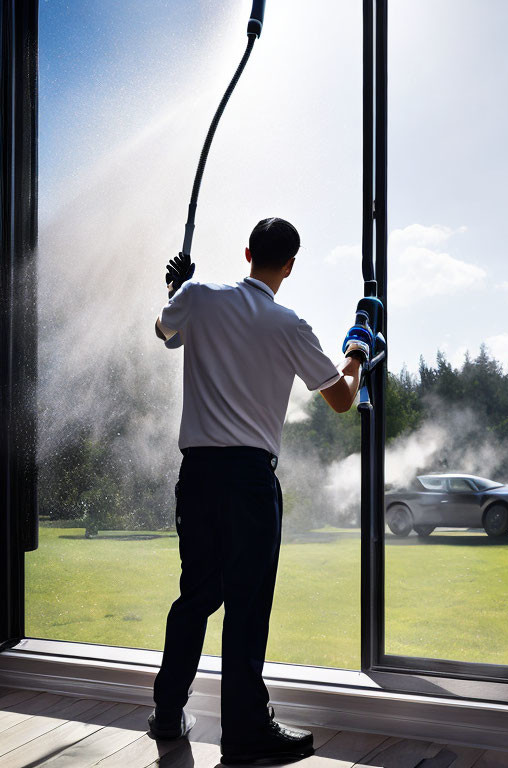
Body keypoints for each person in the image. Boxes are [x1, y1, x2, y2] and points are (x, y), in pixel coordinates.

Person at [149, 217, 370, 765]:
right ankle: (245, 732)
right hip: (248, 481)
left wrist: (178, 290)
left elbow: (163, 330)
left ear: (247, 251)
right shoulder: (288, 324)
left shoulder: (198, 296)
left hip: (196, 476)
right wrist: (358, 350)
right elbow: (342, 399)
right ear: (289, 266)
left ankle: (168, 713)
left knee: (197, 595)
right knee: (246, 605)